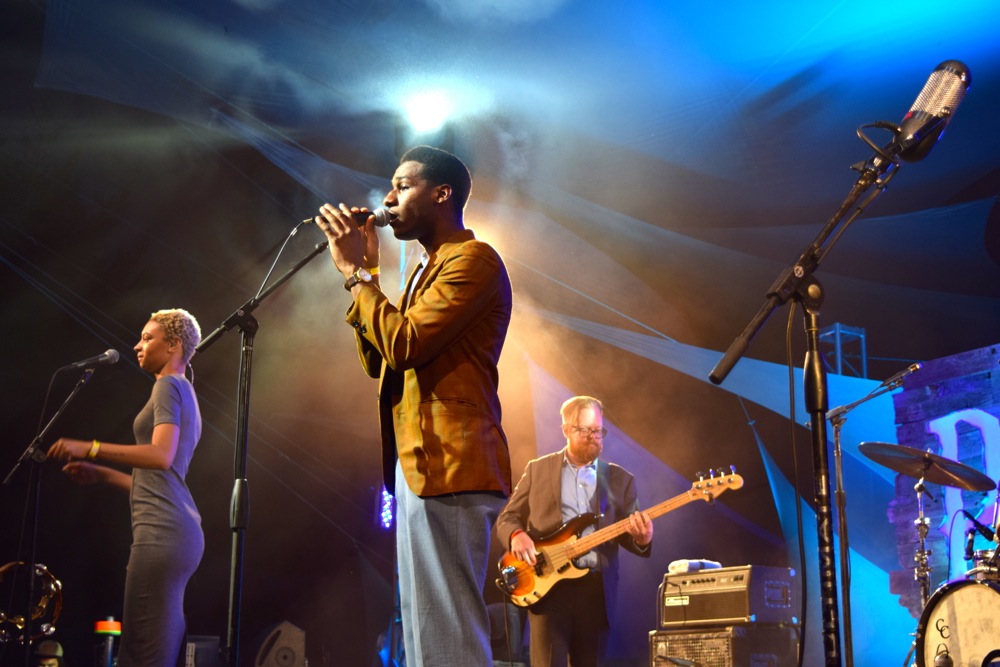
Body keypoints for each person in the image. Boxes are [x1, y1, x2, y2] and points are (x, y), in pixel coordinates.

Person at [312, 145, 513, 666]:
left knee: (447, 624)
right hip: (421, 459)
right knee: (424, 626)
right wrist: (369, 276)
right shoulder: (426, 271)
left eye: (402, 186)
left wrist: (355, 276)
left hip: (451, 460)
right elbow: (378, 360)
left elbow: (404, 345)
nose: (387, 198)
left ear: (441, 194)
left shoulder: (474, 259)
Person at [46, 309, 204, 667]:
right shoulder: (185, 390)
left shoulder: (168, 385)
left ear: (174, 345)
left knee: (142, 653)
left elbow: (160, 456)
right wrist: (102, 474)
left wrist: (91, 447)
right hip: (179, 530)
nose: (137, 346)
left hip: (162, 532)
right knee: (153, 648)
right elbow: (159, 479)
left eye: (147, 338)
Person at [494, 396, 653, 667]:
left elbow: (630, 534)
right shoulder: (537, 469)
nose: (594, 438)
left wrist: (642, 539)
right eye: (585, 430)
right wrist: (516, 535)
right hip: (547, 588)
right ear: (566, 430)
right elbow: (507, 517)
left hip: (596, 592)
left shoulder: (621, 479)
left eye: (598, 431)